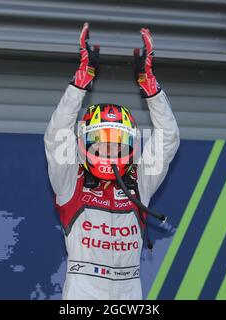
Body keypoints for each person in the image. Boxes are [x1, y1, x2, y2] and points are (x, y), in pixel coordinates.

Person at [44, 22, 180, 300]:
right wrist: (79, 83)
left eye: (117, 144)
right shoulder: (70, 180)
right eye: (101, 142)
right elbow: (57, 134)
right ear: (86, 142)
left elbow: (168, 138)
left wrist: (150, 88)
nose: (108, 150)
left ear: (130, 146)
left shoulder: (140, 181)